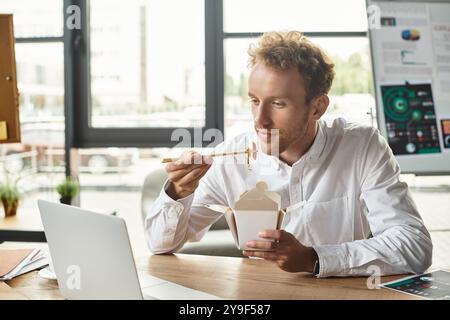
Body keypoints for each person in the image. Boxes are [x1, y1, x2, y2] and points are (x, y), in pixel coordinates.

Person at [145, 31, 432, 278]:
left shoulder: (361, 146)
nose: (260, 120)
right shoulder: (230, 159)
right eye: (255, 101)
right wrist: (178, 192)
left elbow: (414, 246)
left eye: (278, 104)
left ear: (317, 107)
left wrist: (315, 258)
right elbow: (160, 246)